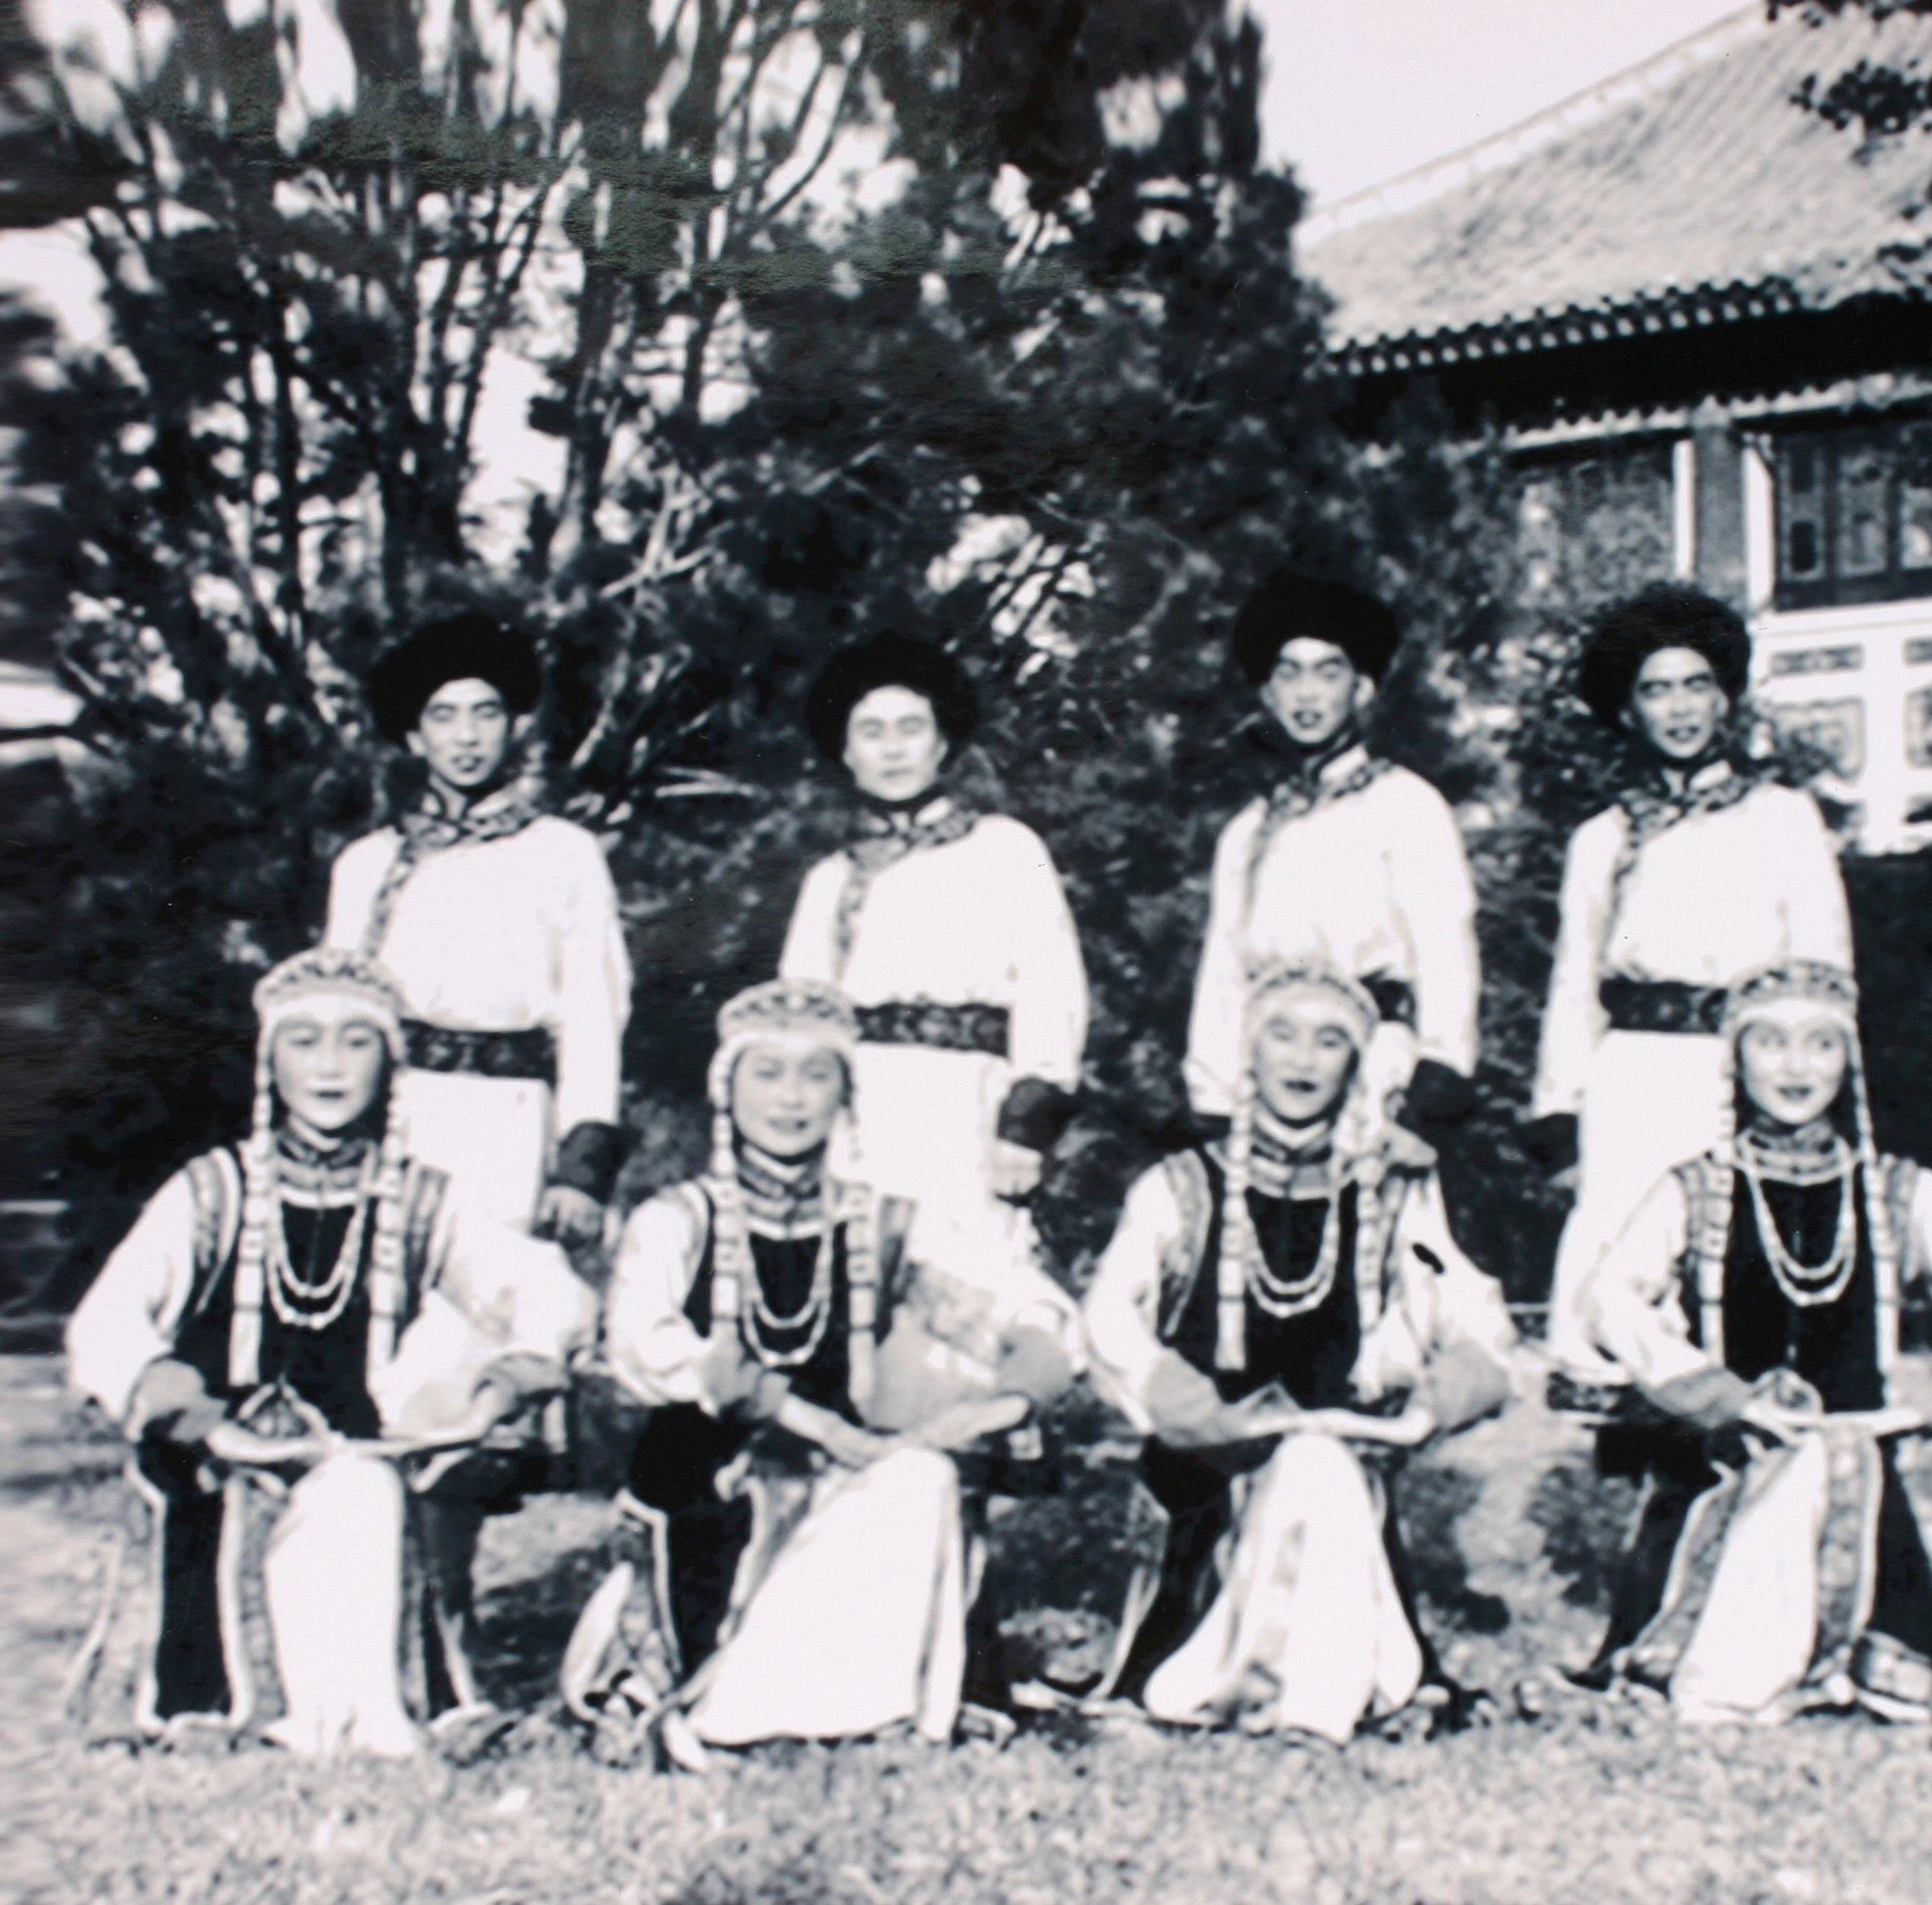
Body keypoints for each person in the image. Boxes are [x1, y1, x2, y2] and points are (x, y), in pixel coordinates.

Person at [62, 949, 593, 1756]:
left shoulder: (419, 1197)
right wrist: (181, 1401)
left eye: (356, 1041)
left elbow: (546, 1289)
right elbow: (106, 1319)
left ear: (390, 1061)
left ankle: (374, 1714)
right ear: (270, 1060)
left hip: (347, 1444)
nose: (330, 1065)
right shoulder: (214, 1188)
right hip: (217, 1449)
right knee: (216, 1500)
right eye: (303, 1040)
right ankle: (209, 1704)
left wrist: (508, 1375)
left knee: (369, 1486)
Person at [567, 978, 1082, 1764]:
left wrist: (1006, 1399)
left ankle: (853, 1712)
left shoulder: (884, 1222)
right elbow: (644, 1342)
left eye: (816, 1075)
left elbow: (1026, 1306)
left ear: (845, 1096)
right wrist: (797, 1413)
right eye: (766, 1073)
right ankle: (727, 1707)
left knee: (921, 1474)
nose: (791, 1098)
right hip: (712, 1500)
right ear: (726, 1088)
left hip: (837, 1488)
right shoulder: (676, 1219)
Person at [1573, 959, 1932, 1725]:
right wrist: (1712, 1393)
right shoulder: (1695, 1188)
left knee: (1908, 1655)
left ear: (1847, 1060)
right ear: (1735, 1058)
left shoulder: (1896, 1189)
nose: (1795, 1066)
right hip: (1726, 1467)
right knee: (1693, 1661)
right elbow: (1609, 1297)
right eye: (1770, 1042)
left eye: (1820, 1044)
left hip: (1858, 1480)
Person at [1085, 960, 1518, 1744]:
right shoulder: (1178, 1185)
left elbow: (1472, 1314)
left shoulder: (1390, 1192)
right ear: (1247, 1051)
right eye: (1281, 1035)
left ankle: (1325, 1695)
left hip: (1339, 1453)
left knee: (1318, 1465)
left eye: (1328, 1041)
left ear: (1355, 1063)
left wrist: (1430, 1405)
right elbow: (1109, 1312)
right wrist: (1192, 1407)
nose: (1302, 1059)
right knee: (1290, 1472)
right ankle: (1222, 1675)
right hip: (1210, 1462)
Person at [1530, 583, 1853, 1378]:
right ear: (1627, 709)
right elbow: (1574, 982)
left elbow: (1824, 971)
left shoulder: (1781, 817)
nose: (1679, 709)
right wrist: (1560, 1108)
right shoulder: (1602, 837)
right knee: (1620, 1251)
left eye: (1695, 685)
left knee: (1735, 1243)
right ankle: (1637, 1431)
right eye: (1656, 690)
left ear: (1725, 697)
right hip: (1634, 1071)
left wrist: (1813, 1081)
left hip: (1744, 1069)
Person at [779, 633, 1088, 1283]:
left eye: (911, 728)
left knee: (973, 1279)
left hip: (969, 1107)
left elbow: (1052, 989)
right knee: (861, 1280)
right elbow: (799, 1018)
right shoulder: (831, 879)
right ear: (846, 752)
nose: (892, 749)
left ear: (942, 742)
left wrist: (1024, 1124)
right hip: (863, 1114)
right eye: (871, 732)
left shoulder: (1004, 849)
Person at [326, 610, 634, 1238]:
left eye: (485, 714)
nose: (466, 737)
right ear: (415, 737)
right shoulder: (369, 864)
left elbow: (594, 1015)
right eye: (443, 716)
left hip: (511, 1123)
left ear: (513, 727)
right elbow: (335, 1013)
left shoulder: (563, 853)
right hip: (397, 1122)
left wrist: (580, 1168)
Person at [1186, 572, 1480, 1151]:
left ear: (1362, 689)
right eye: (1288, 674)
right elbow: (1221, 975)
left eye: (1328, 673)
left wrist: (1429, 1097)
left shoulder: (1405, 804)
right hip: (1267, 1078)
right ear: (1267, 694)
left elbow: (1447, 959)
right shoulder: (1248, 832)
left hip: (1376, 1072)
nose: (1307, 694)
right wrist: (1214, 1099)